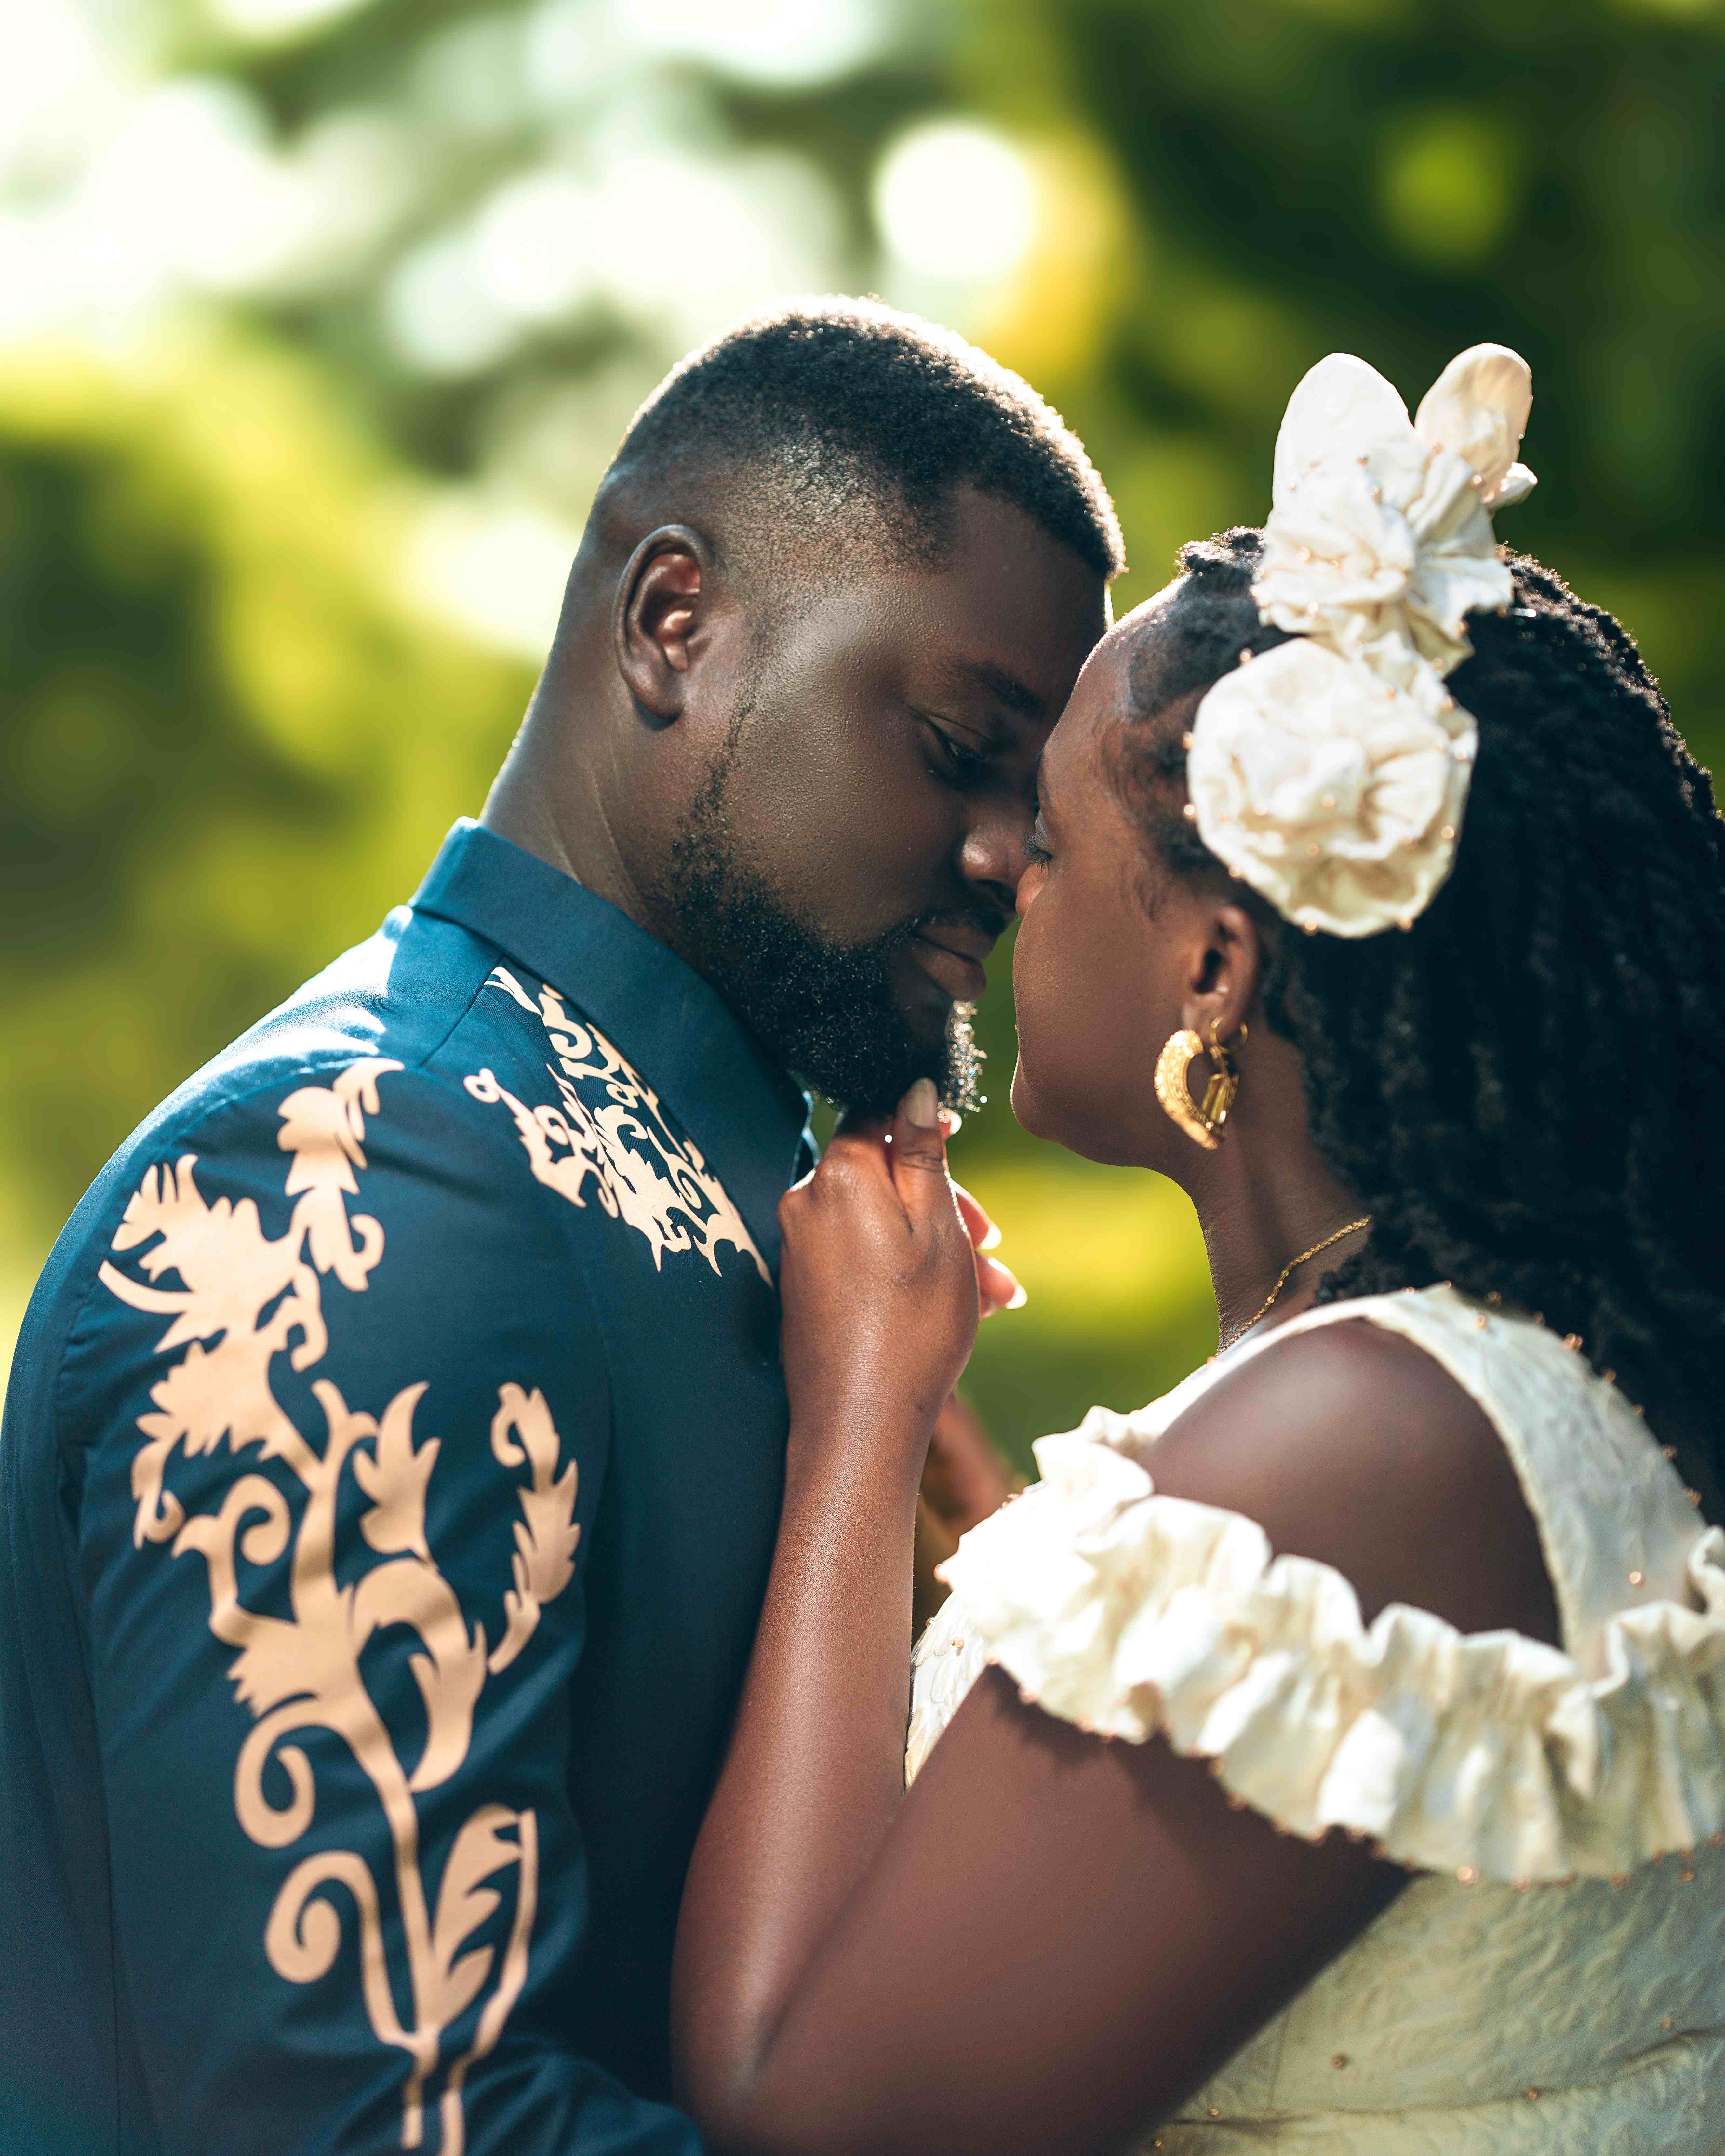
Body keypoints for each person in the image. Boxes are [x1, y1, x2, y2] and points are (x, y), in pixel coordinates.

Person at [0, 298, 1118, 2156]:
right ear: (673, 623)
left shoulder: (753, 1221)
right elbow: (365, 2126)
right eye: (954, 743)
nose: (1008, 854)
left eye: (1041, 792)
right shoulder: (356, 1188)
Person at [669, 345, 1725, 2153]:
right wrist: (977, 1518)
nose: (997, 867)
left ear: (1215, 971)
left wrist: (849, 1424)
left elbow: (804, 2111)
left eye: (1059, 839)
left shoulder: (1368, 1439)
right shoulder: (1485, 1376)